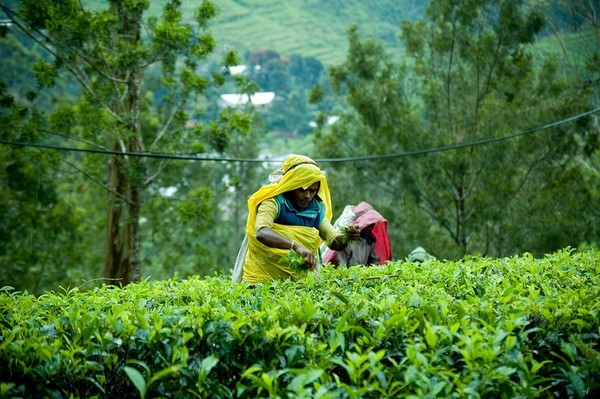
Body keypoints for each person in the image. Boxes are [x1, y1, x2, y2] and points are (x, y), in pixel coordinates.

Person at [233, 154, 360, 283]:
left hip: (299, 281)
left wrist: (347, 236)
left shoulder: (316, 209)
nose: (308, 196)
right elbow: (261, 232)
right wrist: (295, 246)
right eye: (302, 190)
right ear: (291, 185)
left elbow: (333, 242)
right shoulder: (273, 202)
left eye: (313, 191)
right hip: (262, 278)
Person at [322, 201, 392, 267]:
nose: (370, 228)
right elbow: (340, 263)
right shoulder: (345, 239)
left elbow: (373, 261)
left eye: (372, 225)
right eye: (368, 225)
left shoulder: (369, 241)